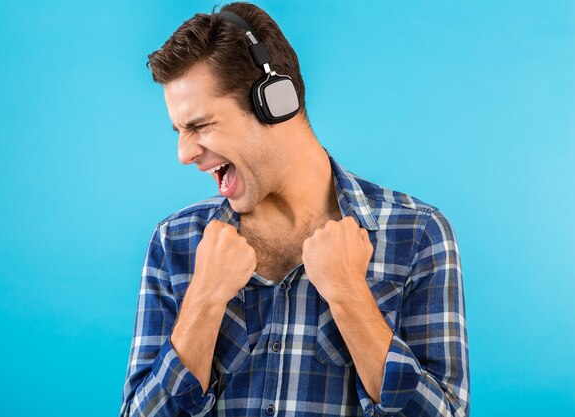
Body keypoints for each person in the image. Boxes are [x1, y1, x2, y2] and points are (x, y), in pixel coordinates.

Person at [119, 2, 470, 416]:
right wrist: (204, 299)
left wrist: (349, 296)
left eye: (199, 125)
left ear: (275, 100)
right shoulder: (175, 241)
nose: (183, 153)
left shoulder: (418, 234)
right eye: (179, 131)